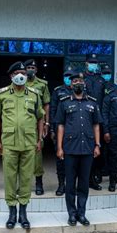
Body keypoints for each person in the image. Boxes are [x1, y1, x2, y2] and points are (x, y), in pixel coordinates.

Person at [0, 61, 44, 229]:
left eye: (23, 72)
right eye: (17, 73)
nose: (21, 75)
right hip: (9, 144)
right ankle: (12, 212)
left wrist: (39, 139)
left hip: (29, 143)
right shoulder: (2, 94)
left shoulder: (35, 94)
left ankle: (23, 212)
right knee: (9, 177)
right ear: (11, 76)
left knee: (26, 177)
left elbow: (40, 116)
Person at [56, 71, 102, 226]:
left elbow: (96, 125)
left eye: (80, 81)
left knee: (83, 184)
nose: (78, 83)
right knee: (70, 184)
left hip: (87, 149)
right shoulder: (64, 102)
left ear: (84, 84)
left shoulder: (92, 103)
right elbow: (60, 125)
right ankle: (72, 214)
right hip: (70, 149)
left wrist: (97, 144)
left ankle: (81, 213)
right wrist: (59, 147)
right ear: (71, 84)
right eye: (74, 81)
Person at [24, 59, 50, 195]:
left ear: (36, 70)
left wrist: (46, 123)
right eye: (28, 67)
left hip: (36, 124)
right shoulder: (19, 82)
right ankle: (22, 185)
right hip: (22, 125)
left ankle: (39, 183)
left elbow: (46, 104)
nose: (30, 69)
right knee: (21, 154)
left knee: (37, 154)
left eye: (32, 67)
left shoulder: (42, 84)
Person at [49, 67, 74, 196]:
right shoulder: (58, 91)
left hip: (74, 130)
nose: (69, 79)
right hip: (60, 129)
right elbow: (52, 110)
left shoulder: (80, 90)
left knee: (73, 159)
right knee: (60, 158)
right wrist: (52, 129)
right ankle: (61, 185)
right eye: (66, 76)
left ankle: (71, 186)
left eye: (71, 76)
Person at [84, 53, 105, 190]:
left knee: (97, 150)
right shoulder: (81, 79)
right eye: (91, 62)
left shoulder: (101, 80)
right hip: (84, 118)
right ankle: (84, 179)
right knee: (85, 149)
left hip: (98, 120)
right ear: (86, 63)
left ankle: (94, 178)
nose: (93, 64)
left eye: (95, 62)